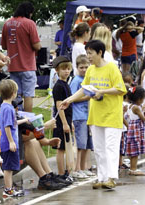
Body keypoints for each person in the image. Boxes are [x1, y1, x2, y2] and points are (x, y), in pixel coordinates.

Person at [60, 40, 127, 189]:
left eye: (91, 53)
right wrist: (69, 100)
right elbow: (84, 89)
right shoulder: (90, 70)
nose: (88, 57)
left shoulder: (112, 68)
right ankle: (101, 178)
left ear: (100, 53)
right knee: (99, 148)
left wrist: (102, 91)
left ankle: (111, 177)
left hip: (112, 114)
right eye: (87, 53)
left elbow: (120, 89)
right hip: (96, 115)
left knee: (111, 147)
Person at [1, 2, 41, 112]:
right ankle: (27, 122)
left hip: (13, 66)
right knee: (28, 95)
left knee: (15, 94)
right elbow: (37, 45)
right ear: (29, 12)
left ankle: (17, 118)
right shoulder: (30, 23)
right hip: (27, 65)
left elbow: (4, 46)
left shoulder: (7, 24)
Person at [0, 79, 25, 197]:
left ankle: (9, 188)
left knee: (10, 167)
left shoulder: (4, 106)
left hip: (7, 141)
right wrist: (11, 141)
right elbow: (7, 126)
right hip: (8, 142)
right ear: (13, 93)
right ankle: (8, 189)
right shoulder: (9, 109)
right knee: (8, 168)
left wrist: (24, 120)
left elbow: (12, 123)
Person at [70, 55, 94, 179]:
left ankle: (84, 167)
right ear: (77, 68)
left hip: (88, 115)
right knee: (80, 144)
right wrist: (87, 97)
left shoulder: (88, 80)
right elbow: (73, 98)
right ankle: (77, 168)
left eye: (86, 67)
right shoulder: (76, 81)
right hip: (79, 116)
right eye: (81, 67)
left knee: (86, 145)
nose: (84, 70)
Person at [52, 56, 74, 180]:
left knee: (66, 147)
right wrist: (65, 123)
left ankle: (67, 171)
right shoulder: (58, 86)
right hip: (61, 121)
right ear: (57, 70)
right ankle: (61, 173)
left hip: (68, 119)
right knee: (60, 148)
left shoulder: (66, 84)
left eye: (68, 69)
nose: (66, 71)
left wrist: (70, 123)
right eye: (64, 69)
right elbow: (59, 106)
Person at [125, 86, 145, 176]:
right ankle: (133, 169)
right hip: (136, 130)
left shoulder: (131, 106)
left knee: (133, 150)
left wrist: (143, 108)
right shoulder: (136, 108)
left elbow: (137, 113)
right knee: (135, 150)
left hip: (132, 128)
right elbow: (142, 117)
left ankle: (132, 168)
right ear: (139, 99)